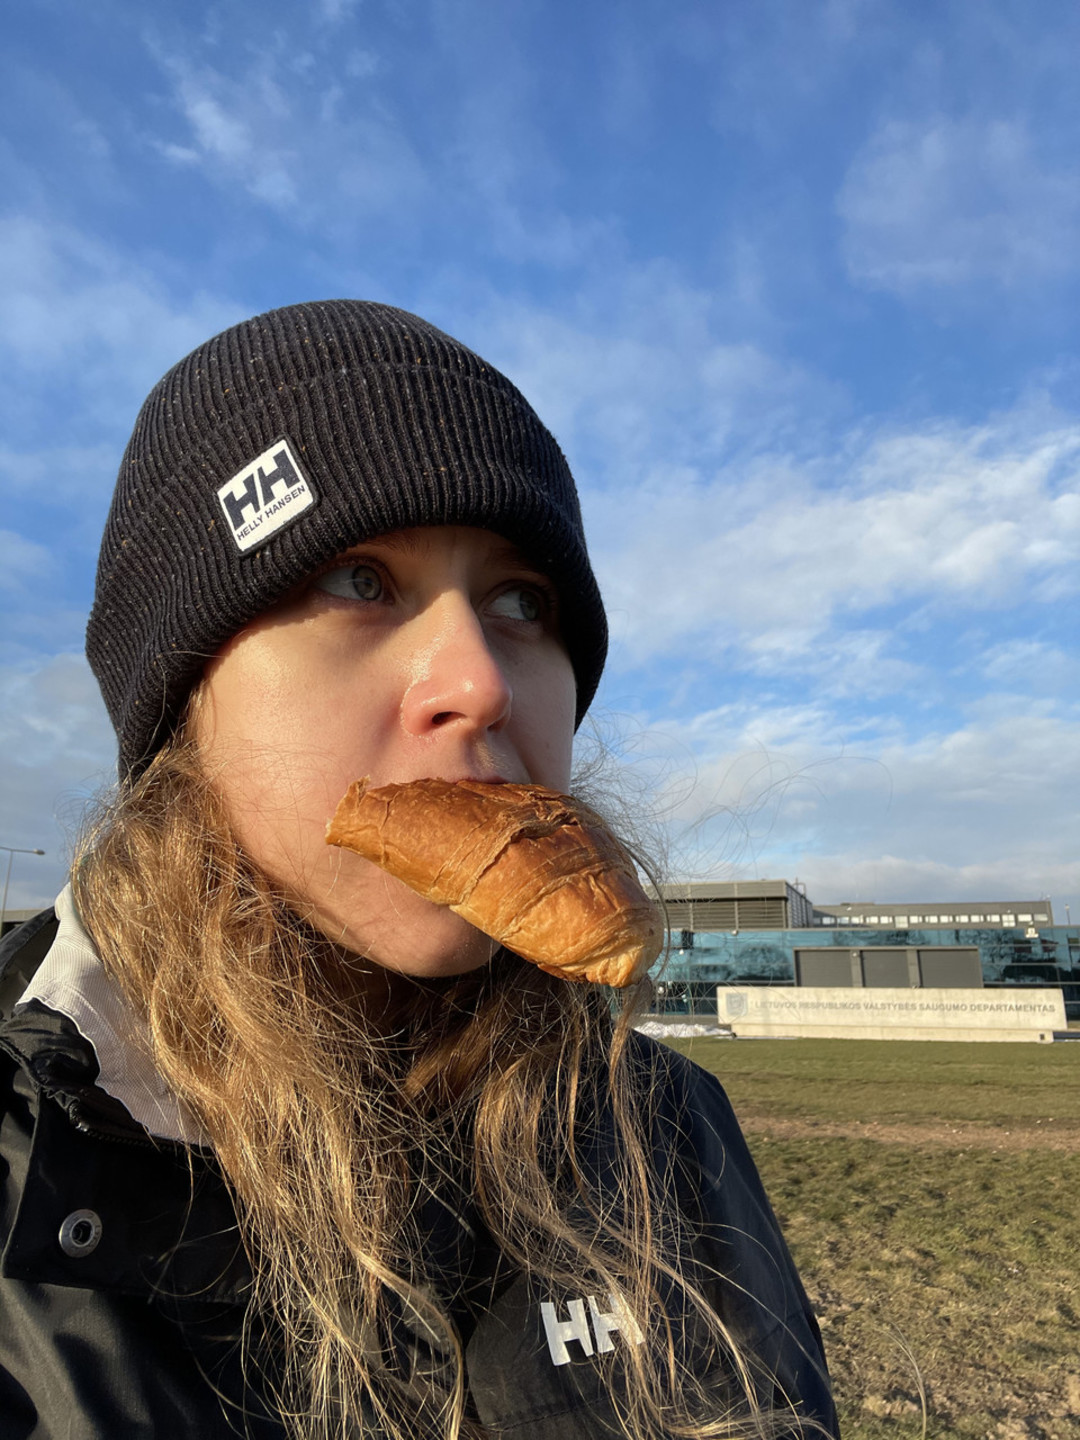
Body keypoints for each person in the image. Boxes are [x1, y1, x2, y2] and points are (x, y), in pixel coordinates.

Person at [0, 301, 837, 1440]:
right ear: (179, 707)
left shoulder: (666, 1129)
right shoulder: (29, 1146)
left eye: (522, 603)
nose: (480, 682)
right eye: (358, 579)